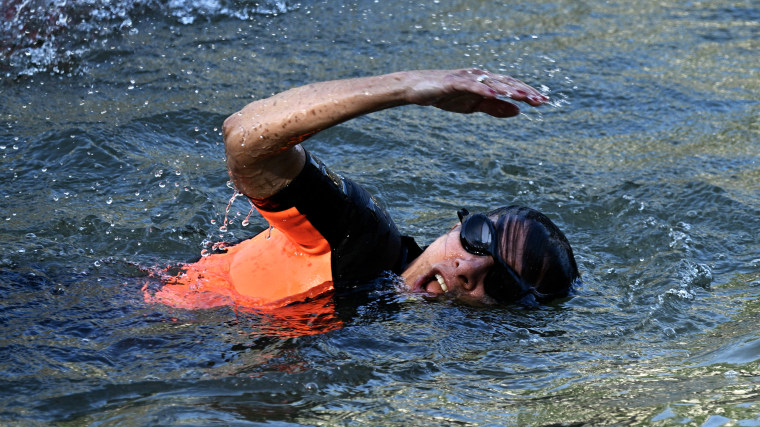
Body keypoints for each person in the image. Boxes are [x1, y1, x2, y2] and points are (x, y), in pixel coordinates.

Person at [150, 69, 579, 311]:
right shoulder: (360, 238)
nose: (469, 269)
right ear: (458, 224)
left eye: (502, 283)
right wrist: (407, 91)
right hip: (109, 324)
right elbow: (245, 138)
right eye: (479, 239)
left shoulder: (407, 349)